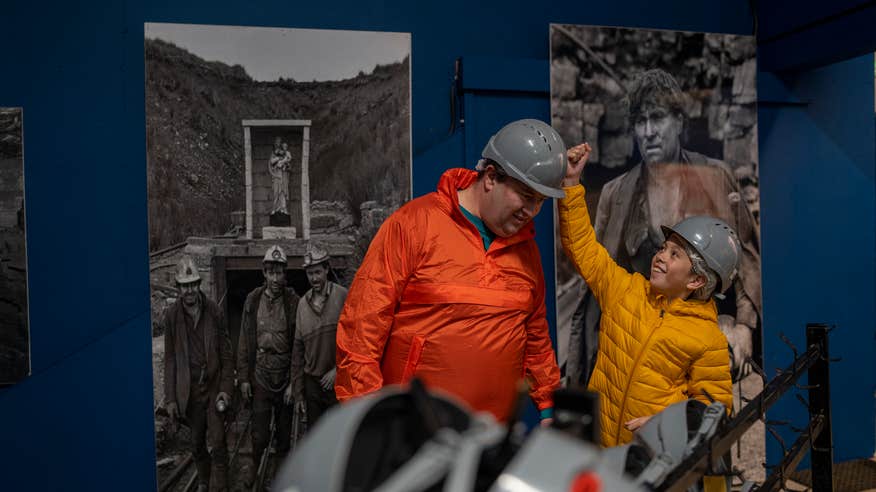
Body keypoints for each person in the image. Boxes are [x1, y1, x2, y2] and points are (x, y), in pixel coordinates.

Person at [335, 119, 563, 423]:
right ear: (491, 177)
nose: (532, 211)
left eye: (540, 202)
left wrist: (549, 406)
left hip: (489, 439)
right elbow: (361, 332)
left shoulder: (526, 250)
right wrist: (368, 420)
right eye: (525, 195)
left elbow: (535, 337)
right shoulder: (413, 225)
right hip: (414, 435)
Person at [566, 68, 761, 387]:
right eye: (640, 122)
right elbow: (596, 269)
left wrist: (744, 326)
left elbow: (746, 257)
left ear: (679, 122)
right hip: (638, 340)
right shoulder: (616, 194)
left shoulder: (715, 176)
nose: (648, 132)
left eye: (657, 118)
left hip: (701, 332)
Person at [559, 142, 734, 447]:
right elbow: (583, 249)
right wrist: (572, 185)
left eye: (675, 254)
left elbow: (715, 412)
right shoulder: (625, 291)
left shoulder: (708, 340)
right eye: (664, 248)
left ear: (696, 280)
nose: (660, 256)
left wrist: (668, 423)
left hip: (648, 460)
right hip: (599, 448)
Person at [162, 256, 233, 492]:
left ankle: (219, 487)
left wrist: (225, 390)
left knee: (219, 442)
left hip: (212, 387)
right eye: (185, 285)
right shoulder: (172, 316)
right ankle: (204, 479)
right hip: (189, 393)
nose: (190, 290)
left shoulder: (214, 311)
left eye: (193, 284)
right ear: (178, 287)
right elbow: (170, 359)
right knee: (196, 444)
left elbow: (225, 355)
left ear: (199, 284)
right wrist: (171, 398)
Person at [236, 245, 299, 484]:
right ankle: (254, 465)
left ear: (285, 274)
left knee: (283, 435)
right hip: (261, 374)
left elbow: (299, 345)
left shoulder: (293, 301)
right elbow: (243, 341)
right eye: (270, 272)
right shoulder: (252, 300)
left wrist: (294, 383)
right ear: (264, 272)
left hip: (284, 376)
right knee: (259, 432)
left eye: (279, 272)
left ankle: (280, 474)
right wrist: (243, 378)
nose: (275, 278)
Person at [290, 244, 348, 427]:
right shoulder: (302, 305)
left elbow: (355, 341)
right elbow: (297, 354)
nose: (314, 278)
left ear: (326, 270)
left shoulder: (342, 296)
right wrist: (299, 394)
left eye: (317, 272)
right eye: (309, 274)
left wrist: (338, 370)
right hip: (312, 384)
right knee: (316, 436)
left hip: (337, 382)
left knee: (337, 436)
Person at [268, 137, 290, 216]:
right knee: (276, 193)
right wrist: (278, 159)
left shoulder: (284, 153)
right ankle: (275, 209)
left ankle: (283, 209)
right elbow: (271, 162)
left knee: (283, 192)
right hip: (276, 176)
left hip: (283, 175)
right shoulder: (273, 153)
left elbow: (288, 163)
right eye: (277, 142)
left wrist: (284, 163)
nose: (278, 144)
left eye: (279, 143)